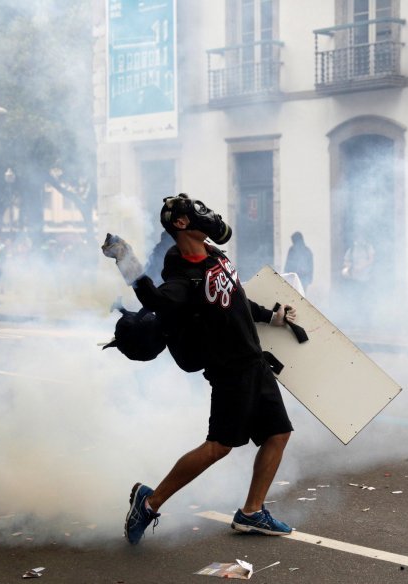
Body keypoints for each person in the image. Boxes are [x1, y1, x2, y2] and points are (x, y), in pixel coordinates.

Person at [102, 193, 297, 545]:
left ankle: (252, 512)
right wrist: (125, 259)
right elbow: (156, 300)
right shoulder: (183, 277)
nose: (208, 214)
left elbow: (236, 298)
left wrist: (272, 316)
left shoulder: (214, 254)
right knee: (218, 446)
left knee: (278, 434)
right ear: (181, 223)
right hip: (230, 370)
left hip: (254, 361)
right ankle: (149, 502)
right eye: (198, 211)